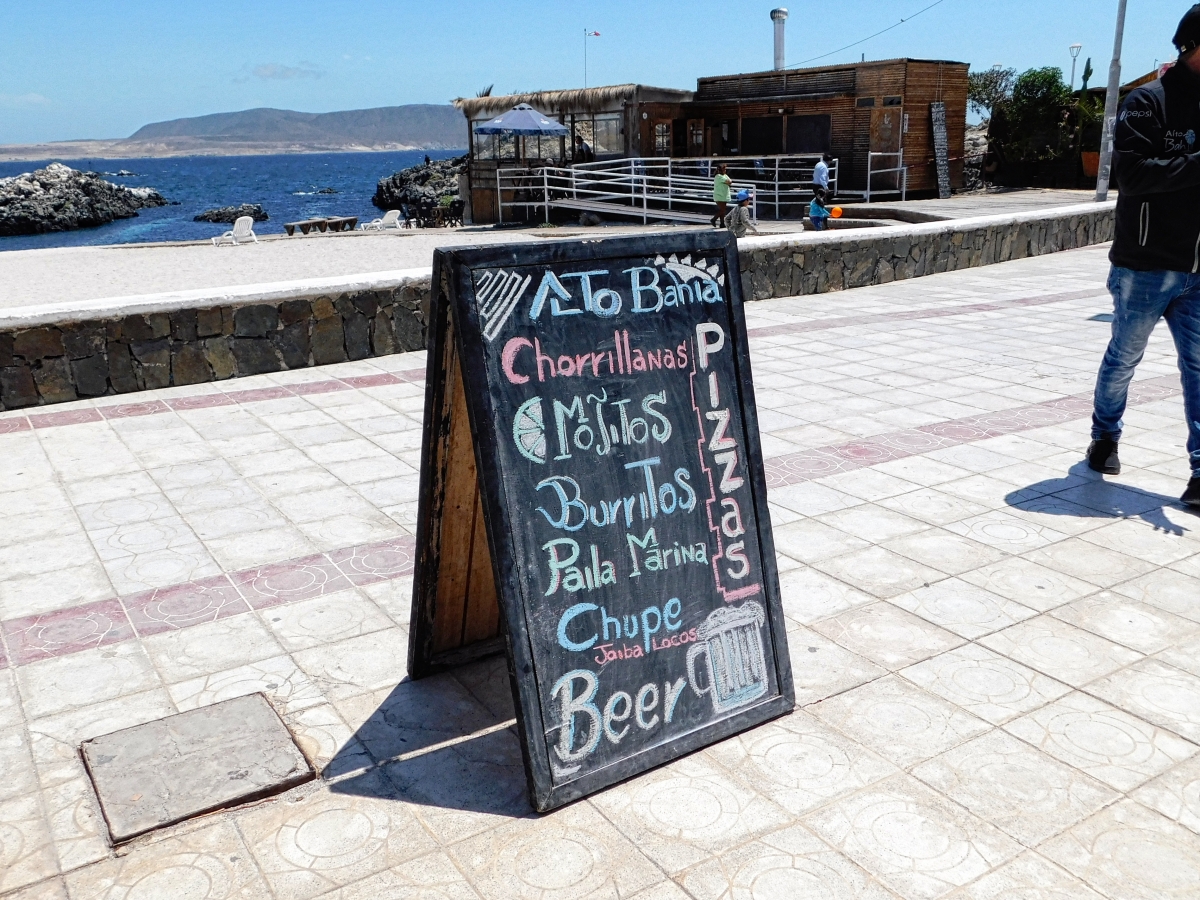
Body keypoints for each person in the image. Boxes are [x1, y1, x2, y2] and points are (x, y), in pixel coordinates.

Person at [1087, 3, 1200, 507]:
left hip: (1198, 268)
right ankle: (1105, 436)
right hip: (1145, 264)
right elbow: (1132, 175)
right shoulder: (1145, 101)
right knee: (1124, 357)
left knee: (1198, 369)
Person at [711, 163, 733, 227]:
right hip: (719, 195)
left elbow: (729, 181)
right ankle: (714, 219)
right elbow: (729, 182)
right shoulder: (718, 176)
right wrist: (729, 182)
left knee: (722, 210)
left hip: (724, 195)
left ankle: (722, 223)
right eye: (724, 169)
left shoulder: (724, 175)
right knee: (722, 210)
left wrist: (729, 182)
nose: (725, 170)